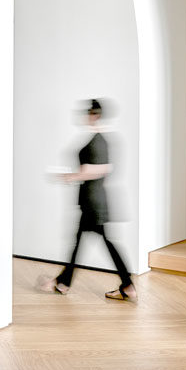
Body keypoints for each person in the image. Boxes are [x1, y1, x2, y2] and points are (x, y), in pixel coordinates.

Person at [46, 99, 137, 300]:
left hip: (93, 202)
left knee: (94, 242)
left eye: (87, 113)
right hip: (92, 200)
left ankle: (126, 284)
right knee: (83, 241)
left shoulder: (98, 140)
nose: (85, 116)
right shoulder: (101, 138)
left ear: (94, 115)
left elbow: (100, 169)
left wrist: (70, 176)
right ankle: (64, 283)